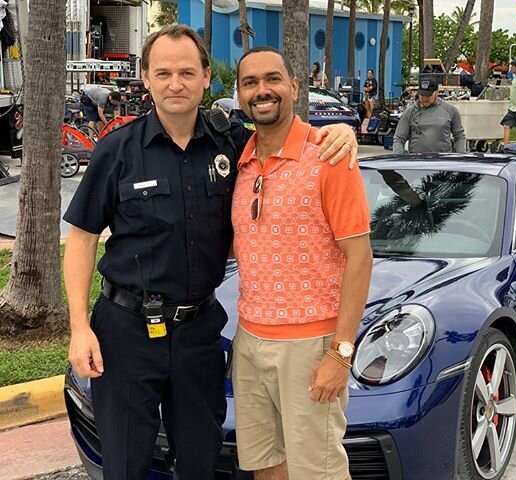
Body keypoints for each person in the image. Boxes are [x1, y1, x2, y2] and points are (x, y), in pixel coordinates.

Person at [63, 25, 359, 480]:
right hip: (126, 334)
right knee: (124, 464)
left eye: (186, 71)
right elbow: (81, 238)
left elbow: (284, 138)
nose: (175, 83)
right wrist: (79, 327)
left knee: (201, 462)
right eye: (163, 73)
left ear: (206, 78)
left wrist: (339, 132)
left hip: (198, 334)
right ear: (146, 78)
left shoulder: (233, 144)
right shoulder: (117, 150)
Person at [232, 45, 373, 480]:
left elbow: (360, 257)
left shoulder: (327, 156)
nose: (262, 90)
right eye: (250, 82)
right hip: (249, 339)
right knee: (266, 464)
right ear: (239, 95)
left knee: (320, 472)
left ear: (293, 86)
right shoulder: (241, 159)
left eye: (272, 79)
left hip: (310, 346)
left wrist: (341, 353)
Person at [393, 75, 467, 154]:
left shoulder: (450, 111)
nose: (424, 98)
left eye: (428, 95)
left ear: (437, 92)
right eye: (422, 95)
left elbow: (459, 136)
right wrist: (398, 159)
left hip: (442, 161)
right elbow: (399, 138)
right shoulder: (410, 112)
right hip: (417, 161)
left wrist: (461, 157)